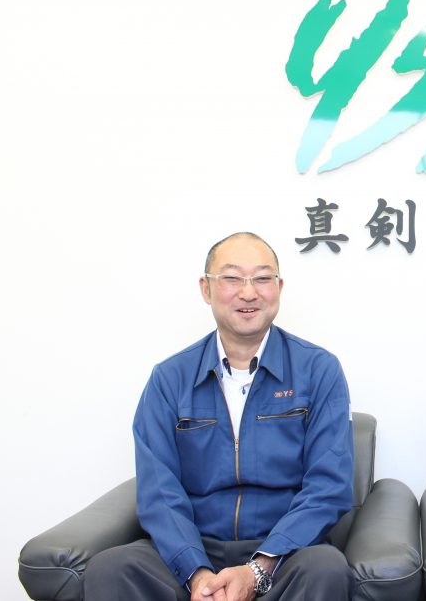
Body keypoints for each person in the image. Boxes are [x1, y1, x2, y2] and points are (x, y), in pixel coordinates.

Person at [84, 232, 355, 601]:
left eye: (262, 278)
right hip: (193, 548)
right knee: (111, 569)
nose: (249, 292)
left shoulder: (319, 370)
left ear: (279, 288)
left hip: (283, 554)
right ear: (206, 289)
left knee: (326, 567)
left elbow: (329, 487)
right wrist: (197, 575)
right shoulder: (169, 379)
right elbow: (159, 492)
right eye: (232, 278)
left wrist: (257, 569)